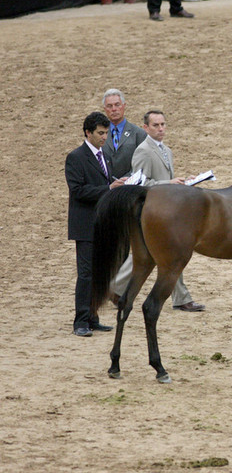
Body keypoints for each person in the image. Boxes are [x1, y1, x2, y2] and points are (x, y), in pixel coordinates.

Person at [110, 110, 205, 312]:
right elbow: (140, 183)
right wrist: (168, 183)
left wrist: (182, 183)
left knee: (173, 252)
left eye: (163, 124)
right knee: (148, 254)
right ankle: (116, 287)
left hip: (165, 210)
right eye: (156, 125)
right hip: (150, 211)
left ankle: (180, 297)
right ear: (145, 128)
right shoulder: (143, 150)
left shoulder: (165, 150)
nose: (161, 129)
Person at [65, 112, 128, 337]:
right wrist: (109, 189)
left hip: (102, 224)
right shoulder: (76, 157)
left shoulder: (105, 156)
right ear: (88, 133)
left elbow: (103, 181)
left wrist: (117, 184)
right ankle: (80, 321)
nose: (105, 137)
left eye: (107, 133)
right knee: (86, 274)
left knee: (99, 273)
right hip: (85, 225)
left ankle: (93, 318)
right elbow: (78, 190)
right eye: (100, 133)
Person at [101, 89, 147, 179]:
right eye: (109, 106)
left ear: (124, 106)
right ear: (105, 109)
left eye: (117, 105)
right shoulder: (99, 134)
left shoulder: (139, 134)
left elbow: (142, 163)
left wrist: (126, 180)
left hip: (131, 186)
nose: (114, 109)